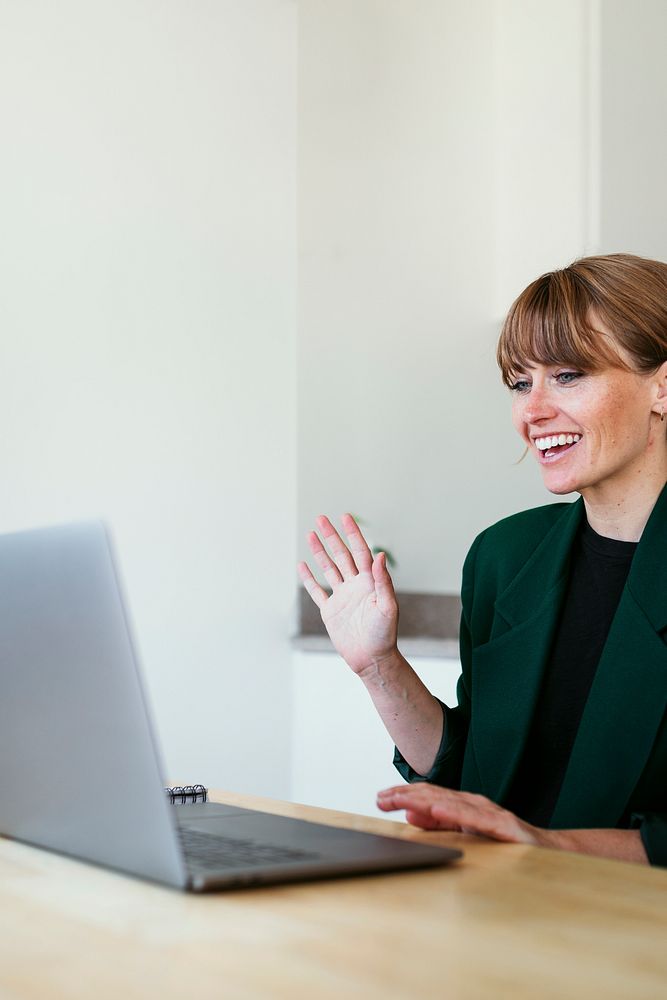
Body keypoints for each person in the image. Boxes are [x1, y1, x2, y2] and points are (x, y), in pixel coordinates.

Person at [297, 252, 667, 867]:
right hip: (499, 913)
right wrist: (377, 665)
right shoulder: (504, 556)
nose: (533, 410)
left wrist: (551, 844)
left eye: (568, 374)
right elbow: (472, 775)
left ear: (662, 386)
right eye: (521, 383)